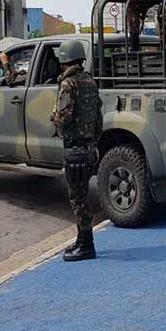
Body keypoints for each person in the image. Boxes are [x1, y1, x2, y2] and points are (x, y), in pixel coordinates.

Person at [52, 40, 103, 262]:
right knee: (81, 196)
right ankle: (82, 240)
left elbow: (63, 117)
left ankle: (86, 245)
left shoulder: (68, 84)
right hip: (90, 147)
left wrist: (53, 116)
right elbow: (99, 119)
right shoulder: (90, 82)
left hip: (75, 150)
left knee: (78, 198)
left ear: (64, 60)